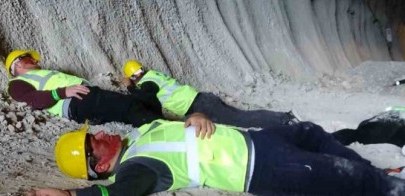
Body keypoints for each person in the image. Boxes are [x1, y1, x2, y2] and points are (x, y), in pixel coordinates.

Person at [23, 115, 405, 196]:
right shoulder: (134, 170)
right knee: (353, 180)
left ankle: (377, 172)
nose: (102, 133)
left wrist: (196, 116)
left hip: (260, 140)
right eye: (94, 143)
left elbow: (183, 121)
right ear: (98, 166)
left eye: (95, 132)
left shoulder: (143, 134)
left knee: (311, 132)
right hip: (264, 172)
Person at [6, 50, 163, 127]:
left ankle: (161, 123)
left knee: (136, 104)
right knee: (129, 107)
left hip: (84, 97)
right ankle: (168, 128)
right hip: (75, 101)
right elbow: (33, 99)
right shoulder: (16, 83)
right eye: (28, 58)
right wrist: (63, 92)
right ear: (18, 64)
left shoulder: (41, 74)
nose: (34, 59)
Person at [122, 60, 296, 128]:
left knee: (241, 119)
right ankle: (283, 118)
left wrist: (129, 87)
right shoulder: (153, 75)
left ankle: (284, 119)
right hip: (201, 101)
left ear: (133, 77)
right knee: (239, 117)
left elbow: (142, 97)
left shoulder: (147, 83)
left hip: (199, 106)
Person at [333, 106, 405, 166]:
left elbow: (366, 122)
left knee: (360, 134)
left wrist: (362, 127)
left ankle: (331, 138)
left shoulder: (390, 110)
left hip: (386, 120)